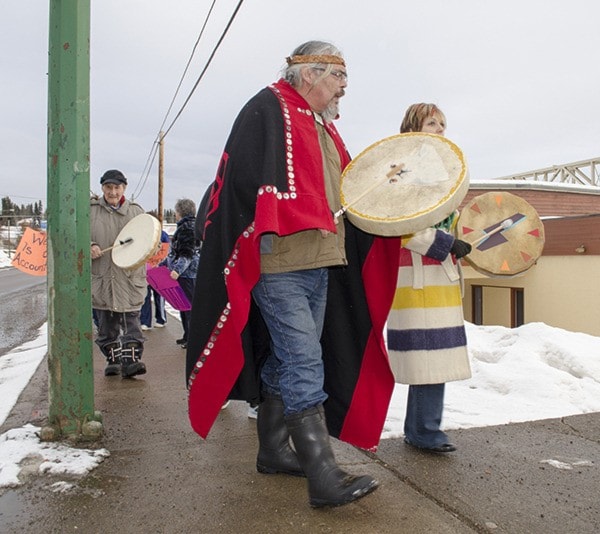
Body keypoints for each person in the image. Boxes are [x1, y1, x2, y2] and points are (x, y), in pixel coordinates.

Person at [186, 41, 401, 508]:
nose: (345, 87)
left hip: (321, 261)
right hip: (279, 262)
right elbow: (245, 183)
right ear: (310, 74)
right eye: (338, 77)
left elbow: (345, 191)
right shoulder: (268, 108)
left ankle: (273, 450)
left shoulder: (324, 128)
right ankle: (323, 475)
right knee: (304, 359)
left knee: (290, 359)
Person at [386, 103, 472, 453]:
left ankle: (423, 428)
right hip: (415, 272)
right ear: (413, 126)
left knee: (435, 354)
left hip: (440, 272)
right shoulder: (398, 171)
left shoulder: (442, 171)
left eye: (443, 123)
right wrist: (446, 243)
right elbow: (396, 223)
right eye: (432, 122)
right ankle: (424, 430)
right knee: (426, 354)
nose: (440, 128)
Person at [90, 169, 147, 378]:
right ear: (102, 188)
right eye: (108, 187)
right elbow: (78, 236)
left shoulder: (136, 212)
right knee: (106, 325)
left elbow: (148, 238)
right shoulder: (91, 211)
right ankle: (113, 360)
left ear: (124, 188)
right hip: (102, 277)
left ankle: (132, 361)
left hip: (129, 278)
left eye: (117, 187)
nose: (112, 192)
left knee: (131, 322)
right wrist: (90, 245)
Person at [161, 198, 199, 349]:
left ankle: (191, 338)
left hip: (187, 275)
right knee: (184, 306)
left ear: (180, 212)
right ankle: (187, 335)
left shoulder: (186, 228)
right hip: (189, 273)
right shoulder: (191, 226)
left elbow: (186, 253)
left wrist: (177, 270)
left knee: (188, 307)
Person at [141, 214, 170, 330]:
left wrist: (152, 261)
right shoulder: (143, 235)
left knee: (159, 296)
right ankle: (145, 321)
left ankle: (161, 318)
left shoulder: (163, 235)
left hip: (159, 270)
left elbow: (164, 253)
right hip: (145, 270)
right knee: (145, 296)